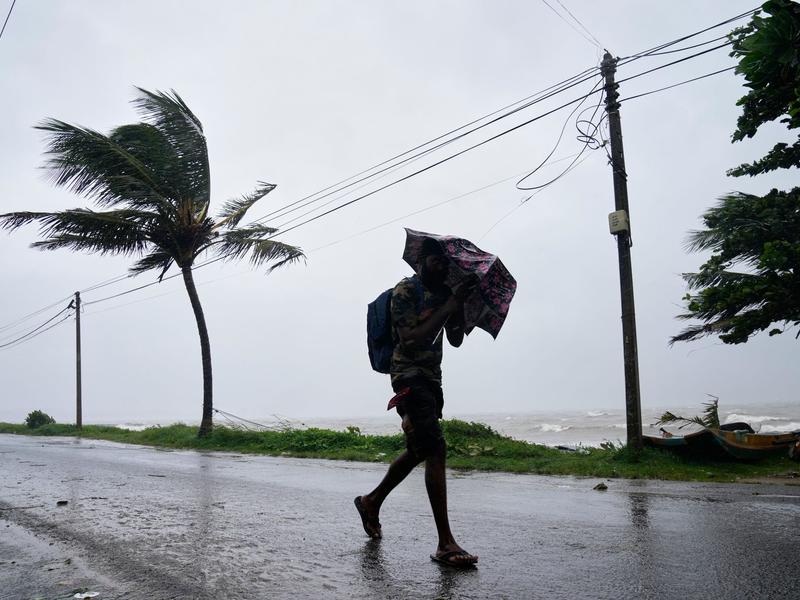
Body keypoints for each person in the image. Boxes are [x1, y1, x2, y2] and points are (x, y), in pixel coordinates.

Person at [355, 237, 479, 567]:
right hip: (408, 376)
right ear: (421, 261)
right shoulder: (405, 291)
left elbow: (454, 339)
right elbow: (409, 339)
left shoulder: (443, 296)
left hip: (432, 379)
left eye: (445, 262)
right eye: (435, 260)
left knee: (419, 449)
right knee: (436, 448)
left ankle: (371, 501)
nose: (441, 266)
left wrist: (459, 305)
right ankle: (446, 543)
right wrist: (448, 307)